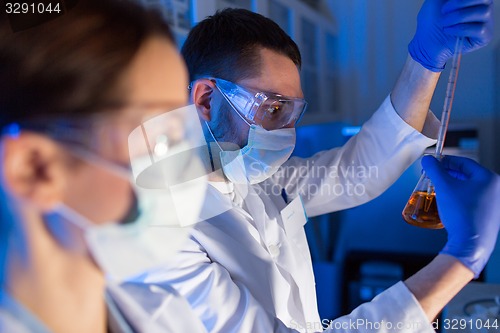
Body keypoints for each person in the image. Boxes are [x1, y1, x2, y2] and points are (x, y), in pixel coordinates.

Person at [140, 1, 497, 332]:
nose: (287, 135)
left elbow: (357, 171)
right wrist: (460, 259)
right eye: (274, 108)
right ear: (206, 99)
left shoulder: (252, 175)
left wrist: (425, 60)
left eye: (294, 113)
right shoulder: (159, 235)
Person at [0, 1, 208, 332]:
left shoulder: (172, 317)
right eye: (162, 137)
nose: (187, 168)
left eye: (183, 132)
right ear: (33, 168)